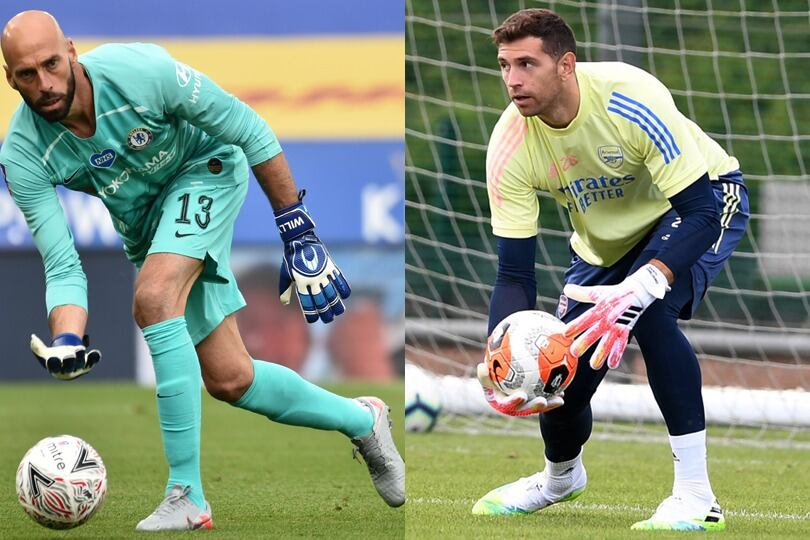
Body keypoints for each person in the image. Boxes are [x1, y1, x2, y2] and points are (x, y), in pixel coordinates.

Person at [0, 10, 405, 531]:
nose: (45, 83)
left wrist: (297, 229)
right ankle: (363, 420)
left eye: (51, 64)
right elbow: (62, 264)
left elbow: (249, 128)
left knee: (153, 297)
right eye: (27, 75)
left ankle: (186, 494)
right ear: (10, 79)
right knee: (231, 379)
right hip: (146, 226)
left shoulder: (141, 72)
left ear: (72, 51)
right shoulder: (24, 153)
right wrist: (68, 337)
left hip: (206, 171)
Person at [473, 8, 747, 532]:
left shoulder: (629, 96)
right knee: (558, 373)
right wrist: (499, 351)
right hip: (603, 248)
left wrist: (648, 281)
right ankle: (560, 478)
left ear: (566, 65)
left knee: (649, 312)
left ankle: (696, 494)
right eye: (505, 65)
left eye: (527, 64)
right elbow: (514, 274)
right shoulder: (509, 146)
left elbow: (701, 211)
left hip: (698, 204)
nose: (512, 80)